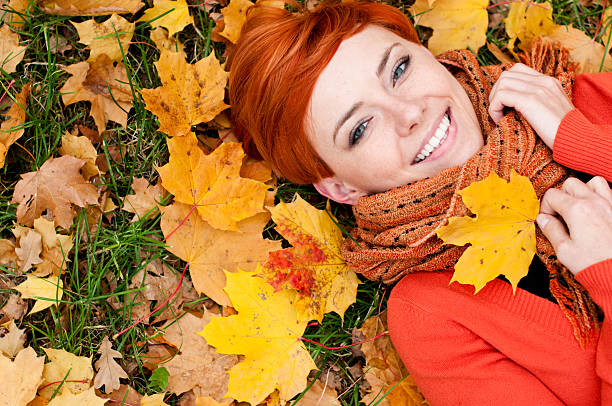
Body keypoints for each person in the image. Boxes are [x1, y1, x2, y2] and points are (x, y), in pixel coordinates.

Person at [227, 1, 612, 404]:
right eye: (360, 128)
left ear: (427, 53)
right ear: (341, 188)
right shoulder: (433, 314)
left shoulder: (569, 105)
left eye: (399, 70)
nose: (409, 111)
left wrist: (583, 143)